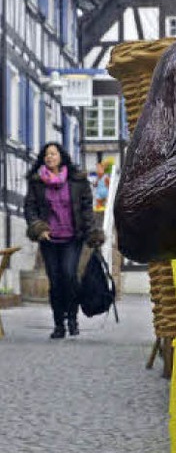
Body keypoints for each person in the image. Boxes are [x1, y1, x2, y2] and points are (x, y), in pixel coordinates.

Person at [24, 142, 104, 339]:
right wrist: (38, 228)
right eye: (46, 155)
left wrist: (92, 232)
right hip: (49, 239)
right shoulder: (36, 183)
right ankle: (59, 324)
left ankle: (72, 319)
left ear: (61, 156)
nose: (50, 157)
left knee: (69, 275)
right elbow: (30, 208)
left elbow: (86, 208)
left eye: (53, 154)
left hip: (72, 237)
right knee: (55, 280)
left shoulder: (76, 181)